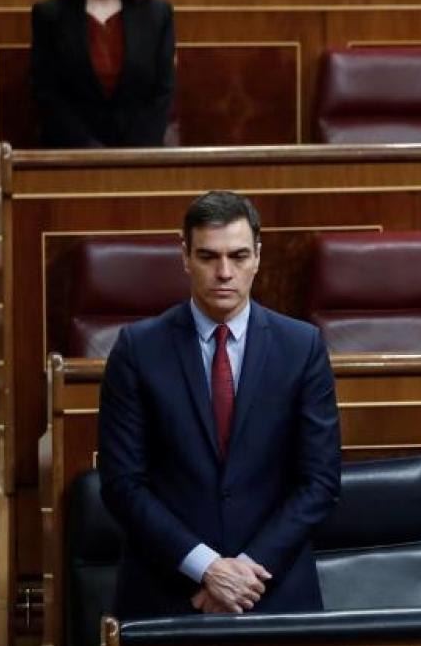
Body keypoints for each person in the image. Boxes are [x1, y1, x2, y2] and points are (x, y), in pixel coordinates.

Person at [97, 191, 341, 617]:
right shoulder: (138, 349)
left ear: (258, 257)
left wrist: (243, 573)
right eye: (208, 256)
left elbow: (319, 482)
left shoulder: (302, 347)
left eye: (238, 256)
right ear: (185, 256)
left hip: (272, 589)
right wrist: (206, 568)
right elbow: (123, 483)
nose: (224, 272)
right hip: (168, 591)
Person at [30, 0, 175, 148]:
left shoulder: (157, 15)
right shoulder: (50, 16)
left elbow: (162, 94)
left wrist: (132, 154)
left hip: (141, 155)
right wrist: (90, 151)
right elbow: (47, 95)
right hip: (71, 154)